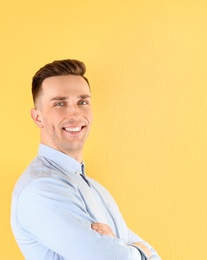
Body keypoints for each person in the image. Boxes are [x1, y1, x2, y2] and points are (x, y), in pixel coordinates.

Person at [11, 59, 161, 260]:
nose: (75, 113)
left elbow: (154, 256)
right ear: (38, 117)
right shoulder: (40, 188)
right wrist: (137, 249)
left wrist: (123, 249)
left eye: (82, 102)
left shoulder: (96, 189)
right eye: (60, 103)